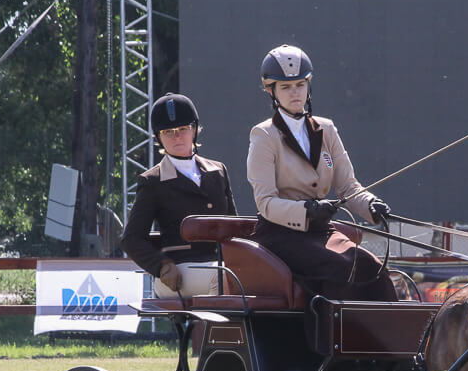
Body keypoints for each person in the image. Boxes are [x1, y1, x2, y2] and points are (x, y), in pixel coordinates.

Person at [246, 44, 397, 302]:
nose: (295, 92)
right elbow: (266, 202)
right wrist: (307, 210)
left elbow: (348, 187)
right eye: (286, 87)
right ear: (271, 91)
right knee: (341, 267)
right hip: (280, 235)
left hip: (320, 232)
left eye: (300, 85)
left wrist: (371, 205)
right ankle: (332, 330)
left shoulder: (327, 129)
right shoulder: (263, 135)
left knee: (372, 267)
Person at [122, 92, 238, 298]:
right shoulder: (152, 181)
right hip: (179, 270)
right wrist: (161, 266)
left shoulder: (218, 171)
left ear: (194, 129)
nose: (176, 136)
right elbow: (131, 239)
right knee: (223, 278)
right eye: (168, 132)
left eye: (183, 129)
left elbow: (234, 227)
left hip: (221, 263)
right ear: (158, 137)